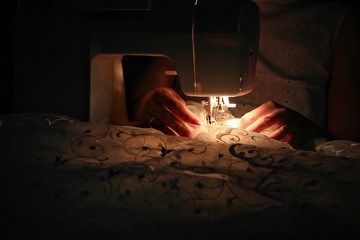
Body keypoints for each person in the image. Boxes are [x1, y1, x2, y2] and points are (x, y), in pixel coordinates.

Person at [127, 0, 360, 149]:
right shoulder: (189, 8)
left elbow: (349, 145)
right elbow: (134, 109)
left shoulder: (336, 21)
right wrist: (149, 105)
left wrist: (311, 133)